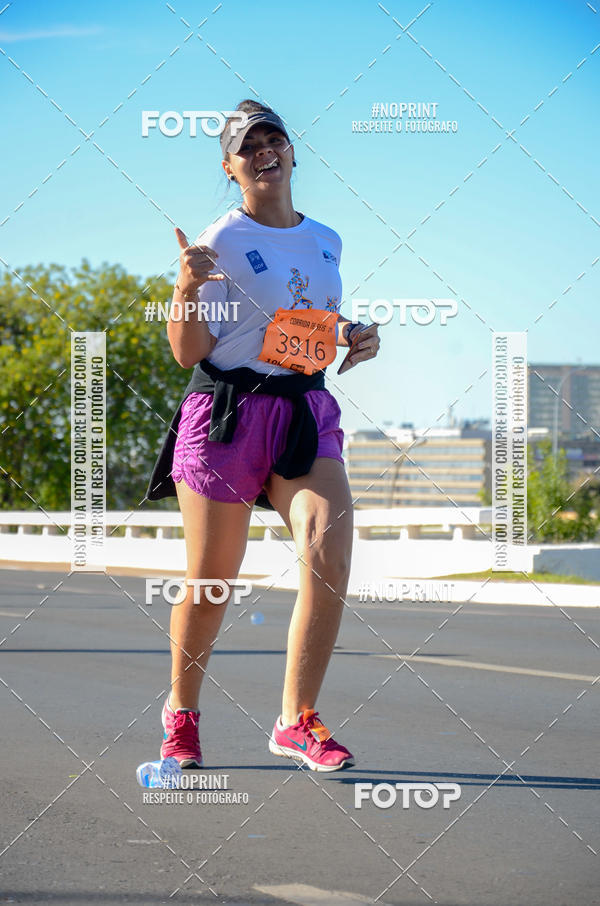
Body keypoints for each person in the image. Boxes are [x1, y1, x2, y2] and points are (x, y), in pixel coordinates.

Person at [147, 99, 380, 772]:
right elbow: (189, 352)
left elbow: (298, 319)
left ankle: (295, 720)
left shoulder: (328, 239)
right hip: (228, 412)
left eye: (273, 139)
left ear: (293, 152)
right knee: (211, 584)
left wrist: (350, 333)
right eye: (247, 147)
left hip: (303, 408)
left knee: (329, 550)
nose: (264, 152)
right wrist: (185, 289)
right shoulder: (219, 241)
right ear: (230, 167)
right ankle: (181, 714)